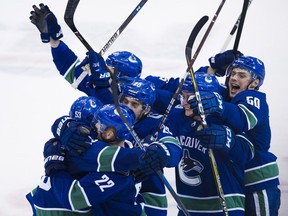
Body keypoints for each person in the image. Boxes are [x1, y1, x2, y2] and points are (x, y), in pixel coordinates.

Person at [27, 102, 178, 216]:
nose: (94, 128)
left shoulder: (112, 164)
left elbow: (74, 199)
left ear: (110, 134)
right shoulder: (118, 154)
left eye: (99, 125)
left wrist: (54, 166)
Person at [189, 51, 281, 216]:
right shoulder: (226, 96)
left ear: (255, 82)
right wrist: (213, 67)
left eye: (241, 75)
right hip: (235, 182)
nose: (233, 78)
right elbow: (196, 85)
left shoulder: (255, 98)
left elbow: (242, 118)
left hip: (258, 181)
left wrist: (219, 105)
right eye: (232, 73)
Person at [161, 72, 255, 215]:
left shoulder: (226, 118)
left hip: (227, 204)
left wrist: (229, 141)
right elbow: (163, 137)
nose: (185, 102)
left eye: (190, 97)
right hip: (187, 206)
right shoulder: (176, 116)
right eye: (183, 96)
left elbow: (247, 153)